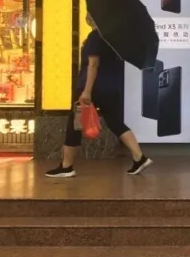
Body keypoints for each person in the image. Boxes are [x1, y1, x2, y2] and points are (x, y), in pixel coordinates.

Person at [46, 13, 152, 178]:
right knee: (115, 122)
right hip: (111, 87)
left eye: (89, 16)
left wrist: (87, 91)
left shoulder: (95, 36)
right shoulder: (114, 39)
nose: (87, 18)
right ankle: (139, 157)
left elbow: (93, 64)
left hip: (93, 87)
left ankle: (66, 166)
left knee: (75, 124)